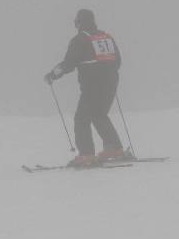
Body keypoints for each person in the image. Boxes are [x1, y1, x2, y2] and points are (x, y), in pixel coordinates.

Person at [44, 9, 126, 167]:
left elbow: (69, 64)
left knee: (81, 118)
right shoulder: (106, 37)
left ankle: (86, 155)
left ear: (79, 23)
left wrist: (53, 75)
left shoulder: (80, 40)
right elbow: (118, 61)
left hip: (93, 85)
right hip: (111, 82)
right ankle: (114, 149)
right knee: (99, 115)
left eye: (76, 22)